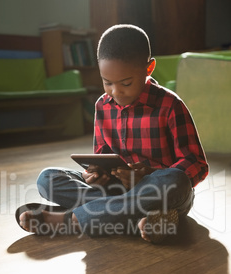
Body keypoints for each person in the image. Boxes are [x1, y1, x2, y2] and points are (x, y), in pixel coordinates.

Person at [16, 24, 208, 244]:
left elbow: (197, 164)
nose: (116, 92)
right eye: (107, 83)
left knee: (175, 179)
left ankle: (70, 220)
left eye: (126, 83)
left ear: (149, 68)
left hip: (160, 192)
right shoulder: (102, 106)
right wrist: (95, 174)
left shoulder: (170, 105)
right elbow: (102, 155)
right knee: (47, 178)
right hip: (116, 192)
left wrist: (146, 175)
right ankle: (141, 220)